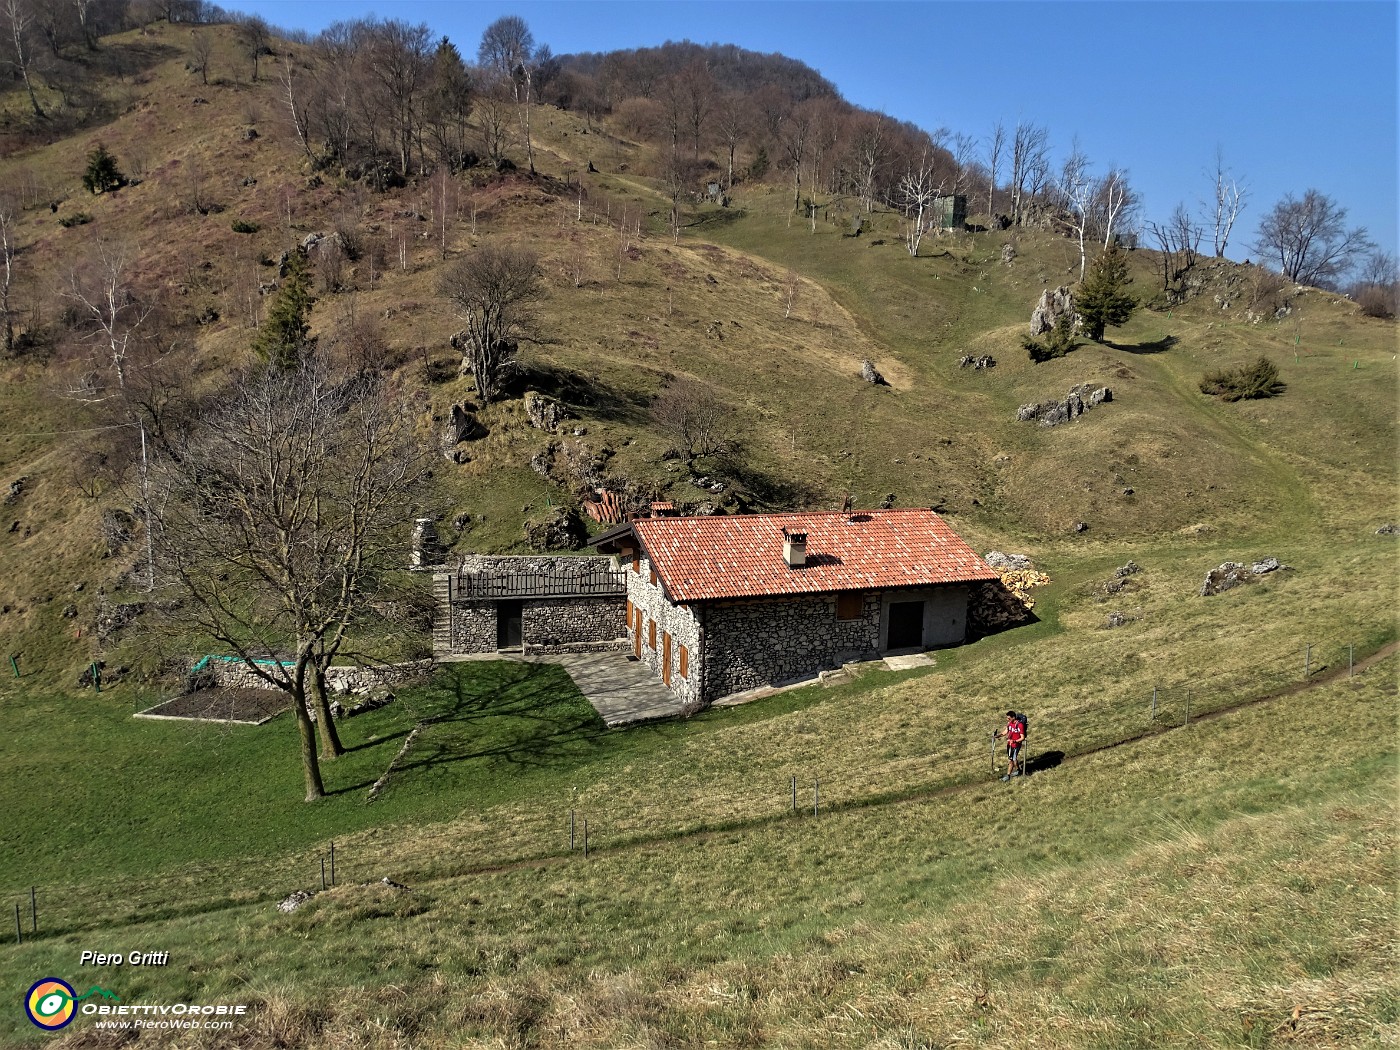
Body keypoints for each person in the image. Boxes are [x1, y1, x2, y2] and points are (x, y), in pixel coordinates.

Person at [997, 709, 1026, 781]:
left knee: (1011, 760)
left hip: (1015, 745)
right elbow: (1006, 731)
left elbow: (1022, 737)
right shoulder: (1009, 723)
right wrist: (999, 735)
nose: (1007, 719)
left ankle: (1008, 776)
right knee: (1014, 759)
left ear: (1013, 717)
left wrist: (1015, 741)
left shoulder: (1020, 725)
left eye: (1009, 718)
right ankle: (1019, 770)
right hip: (1009, 744)